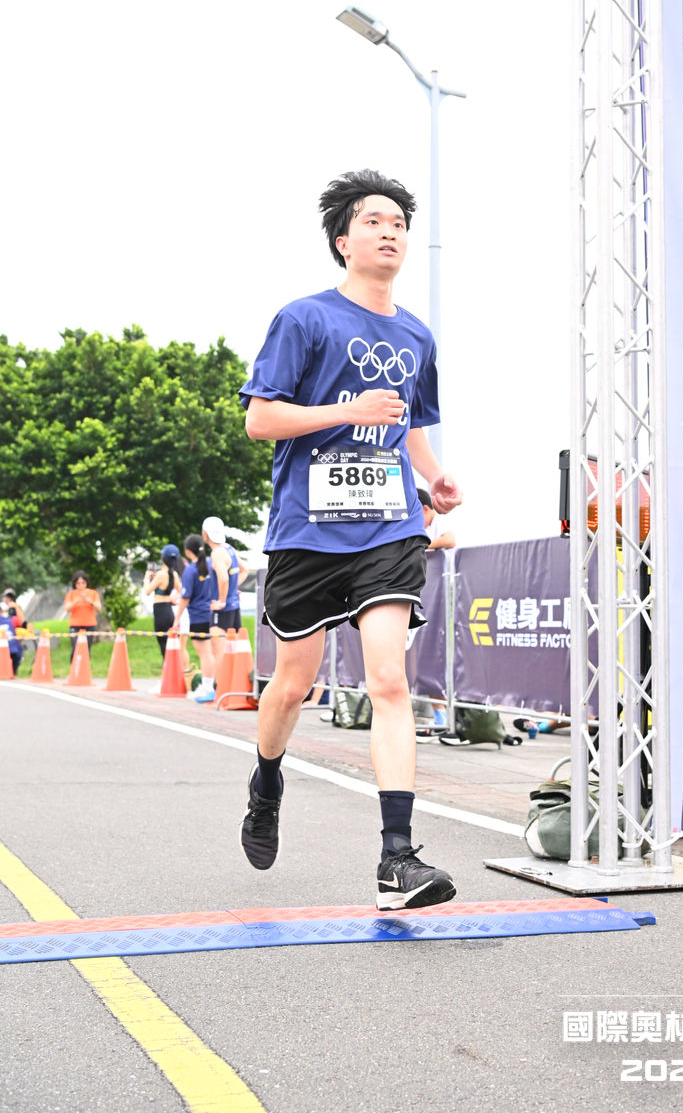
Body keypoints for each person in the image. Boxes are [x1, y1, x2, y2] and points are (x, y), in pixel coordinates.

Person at [238, 168, 462, 910]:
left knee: (389, 681)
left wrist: (433, 477)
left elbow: (410, 422)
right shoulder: (304, 319)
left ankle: (397, 859)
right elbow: (261, 420)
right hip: (307, 529)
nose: (389, 231)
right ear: (343, 240)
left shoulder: (417, 335)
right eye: (373, 221)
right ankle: (267, 781)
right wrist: (346, 410)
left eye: (398, 223)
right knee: (292, 686)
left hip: (389, 528)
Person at [201, 515, 249, 677]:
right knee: (232, 651)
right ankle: (232, 686)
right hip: (234, 608)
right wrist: (233, 590)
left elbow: (223, 578)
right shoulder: (229, 548)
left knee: (219, 653)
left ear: (205, 533)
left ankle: (219, 688)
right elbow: (244, 570)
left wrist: (222, 601)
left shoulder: (217, 553)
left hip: (222, 610)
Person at [174, 535, 217, 703]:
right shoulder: (212, 565)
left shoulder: (190, 570)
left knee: (205, 654)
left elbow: (185, 597)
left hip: (198, 616)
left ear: (187, 551)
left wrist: (177, 618)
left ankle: (208, 687)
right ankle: (212, 685)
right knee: (212, 653)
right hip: (213, 614)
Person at [143, 544, 183, 659]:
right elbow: (181, 591)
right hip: (169, 611)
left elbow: (147, 591)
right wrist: (173, 598)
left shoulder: (161, 574)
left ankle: (168, 668)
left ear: (163, 558)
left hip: (160, 611)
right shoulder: (174, 574)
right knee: (172, 643)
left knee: (163, 644)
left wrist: (146, 578)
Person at [63, 571, 101, 663]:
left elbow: (99, 608)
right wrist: (76, 600)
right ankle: (73, 665)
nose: (81, 585)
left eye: (83, 583)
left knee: (87, 648)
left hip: (90, 624)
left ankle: (85, 667)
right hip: (75, 625)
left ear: (86, 583)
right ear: (75, 584)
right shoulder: (71, 594)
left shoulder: (93, 593)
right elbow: (67, 608)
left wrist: (88, 600)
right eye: (78, 583)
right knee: (76, 646)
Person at [0, 590, 24, 674]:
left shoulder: (12, 607)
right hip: (12, 642)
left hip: (12, 640)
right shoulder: (13, 607)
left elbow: (19, 622)